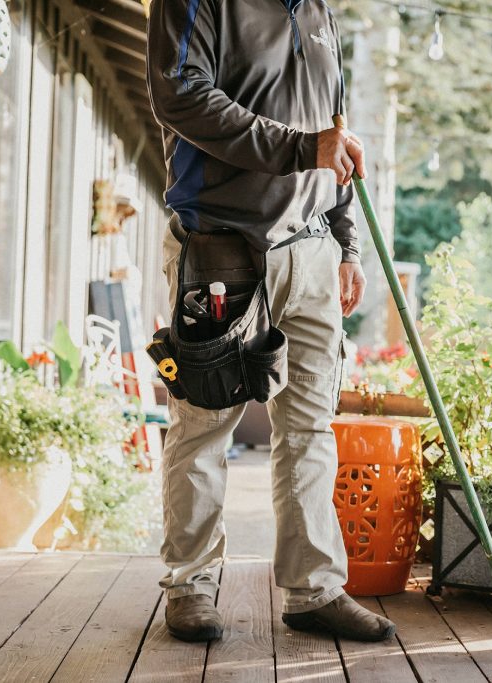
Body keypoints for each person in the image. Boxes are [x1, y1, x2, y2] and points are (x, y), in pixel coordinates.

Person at [147, 0, 395, 643]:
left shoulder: (318, 11)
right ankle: (190, 584)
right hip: (221, 247)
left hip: (311, 248)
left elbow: (332, 129)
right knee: (205, 425)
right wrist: (300, 149)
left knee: (310, 427)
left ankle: (314, 589)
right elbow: (178, 94)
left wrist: (345, 242)